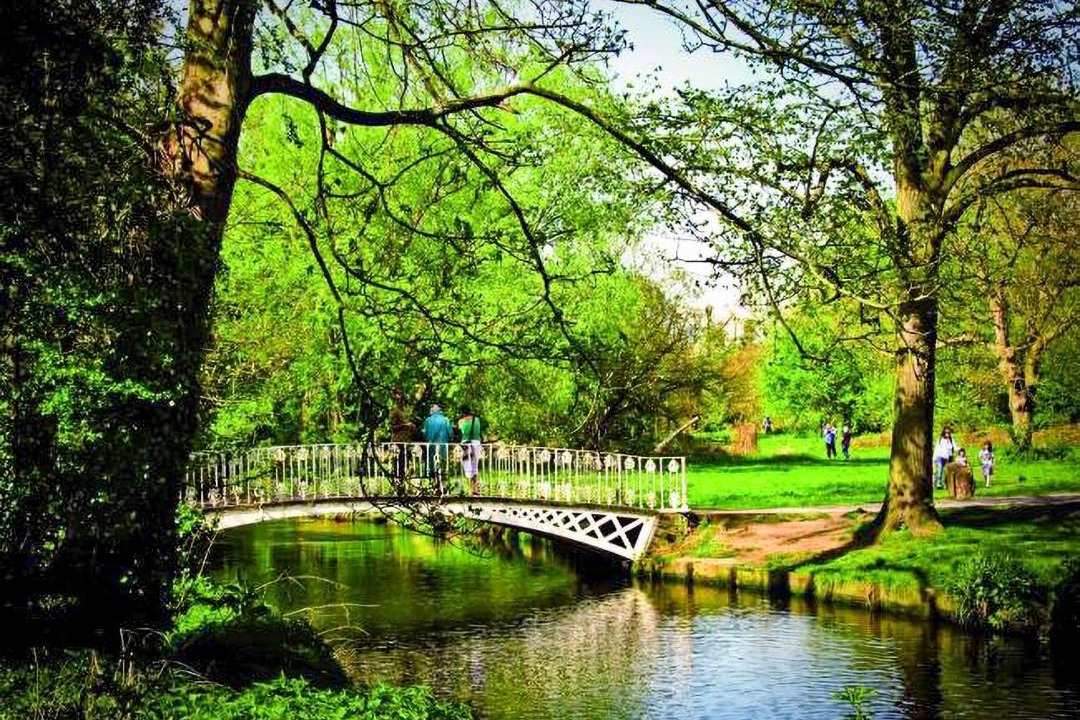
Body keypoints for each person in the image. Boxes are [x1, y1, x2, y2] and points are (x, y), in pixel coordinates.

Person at [421, 404, 452, 489]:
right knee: (443, 462)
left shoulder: (428, 420)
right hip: (443, 445)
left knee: (431, 462)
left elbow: (425, 433)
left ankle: (433, 482)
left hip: (431, 445)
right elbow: (450, 432)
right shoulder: (446, 420)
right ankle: (443, 483)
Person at [388, 389, 416, 482]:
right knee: (398, 465)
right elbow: (392, 427)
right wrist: (404, 425)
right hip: (398, 441)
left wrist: (411, 426)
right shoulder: (394, 410)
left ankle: (403, 482)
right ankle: (397, 482)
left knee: (405, 464)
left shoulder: (406, 411)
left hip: (406, 441)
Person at [457, 406, 483, 495]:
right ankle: (474, 488)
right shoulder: (477, 420)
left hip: (466, 444)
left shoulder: (461, 421)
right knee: (475, 465)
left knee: (467, 465)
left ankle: (470, 487)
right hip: (476, 443)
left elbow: (462, 431)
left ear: (462, 413)